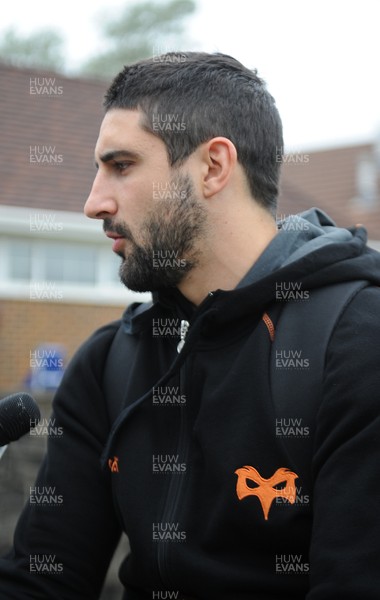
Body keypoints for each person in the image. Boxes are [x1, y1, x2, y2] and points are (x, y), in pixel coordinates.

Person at [1, 51, 380, 599]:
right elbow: (42, 581)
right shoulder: (112, 362)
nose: (93, 202)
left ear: (212, 168)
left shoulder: (356, 345)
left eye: (122, 165)